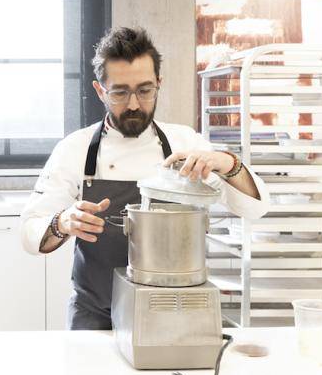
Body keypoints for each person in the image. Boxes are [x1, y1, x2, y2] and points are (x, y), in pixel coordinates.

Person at [20, 27, 269, 330]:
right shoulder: (75, 148)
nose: (135, 104)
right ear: (101, 91)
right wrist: (62, 222)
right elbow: (31, 234)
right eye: (120, 92)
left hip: (172, 314)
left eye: (145, 90)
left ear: (159, 85)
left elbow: (255, 208)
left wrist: (227, 162)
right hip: (95, 317)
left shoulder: (184, 141)